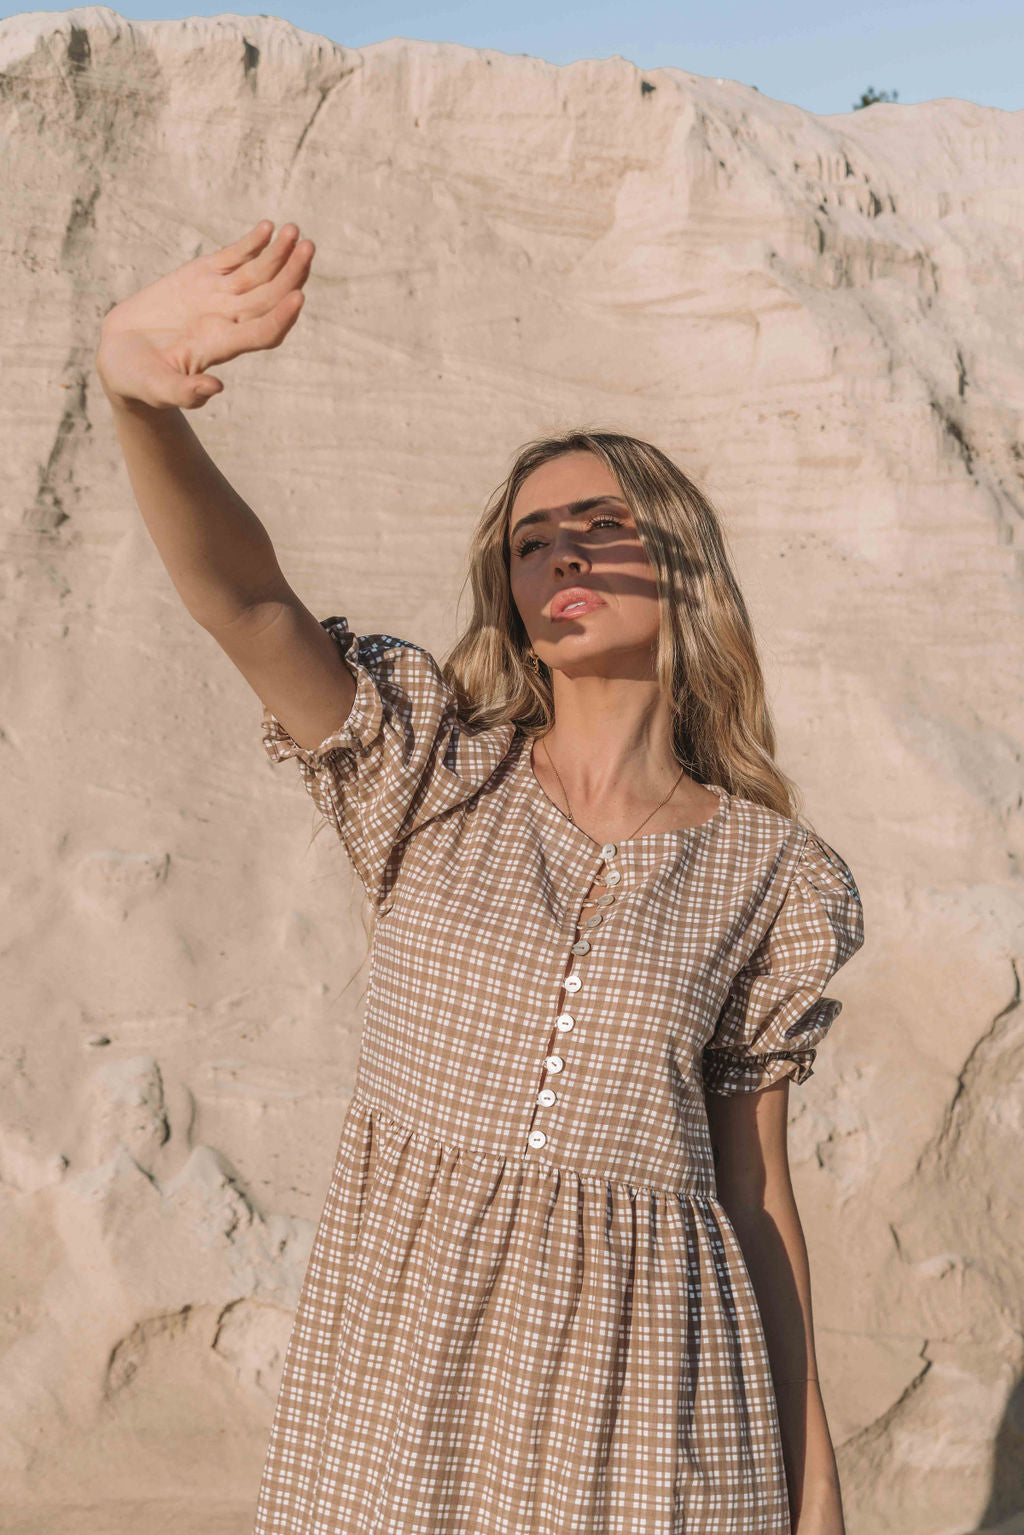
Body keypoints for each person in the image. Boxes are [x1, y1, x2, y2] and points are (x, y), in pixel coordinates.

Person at [96, 219, 865, 1535]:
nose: (560, 554)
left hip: (663, 1408)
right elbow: (248, 606)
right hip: (401, 1390)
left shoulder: (770, 872)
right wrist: (133, 395)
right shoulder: (430, 769)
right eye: (530, 542)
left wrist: (817, 1499)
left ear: (677, 563)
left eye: (598, 526)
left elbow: (758, 1204)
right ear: (508, 594)